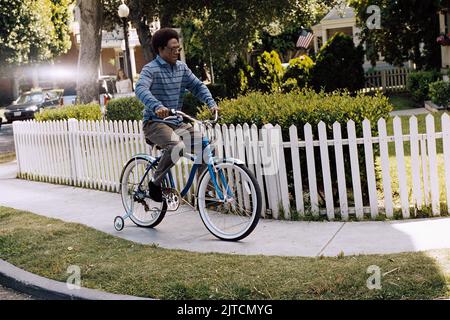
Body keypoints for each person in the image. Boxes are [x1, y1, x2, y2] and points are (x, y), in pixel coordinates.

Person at [135, 28, 218, 202]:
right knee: (176, 146)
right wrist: (157, 106)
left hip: (176, 122)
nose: (176, 52)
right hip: (154, 122)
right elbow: (140, 89)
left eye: (178, 49)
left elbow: (197, 86)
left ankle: (206, 193)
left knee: (205, 145)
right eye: (172, 49)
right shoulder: (150, 69)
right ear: (160, 49)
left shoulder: (181, 68)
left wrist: (211, 103)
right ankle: (155, 183)